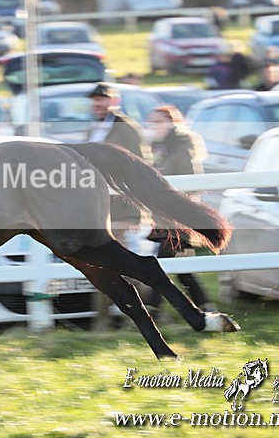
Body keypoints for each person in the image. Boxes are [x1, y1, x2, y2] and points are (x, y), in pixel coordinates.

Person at [85, 83, 151, 329]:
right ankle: (103, 320)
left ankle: (142, 316)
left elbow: (137, 169)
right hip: (99, 208)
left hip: (121, 209)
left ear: (114, 102)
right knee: (101, 264)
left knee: (121, 264)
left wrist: (131, 213)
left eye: (103, 100)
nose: (98, 104)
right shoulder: (94, 129)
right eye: (94, 100)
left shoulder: (125, 130)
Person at [144, 105, 214, 315]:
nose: (153, 126)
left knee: (162, 266)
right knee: (182, 269)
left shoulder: (182, 147)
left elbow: (191, 184)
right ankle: (205, 306)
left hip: (177, 218)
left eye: (158, 122)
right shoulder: (162, 147)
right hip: (165, 215)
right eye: (152, 122)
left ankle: (152, 309)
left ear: (172, 122)